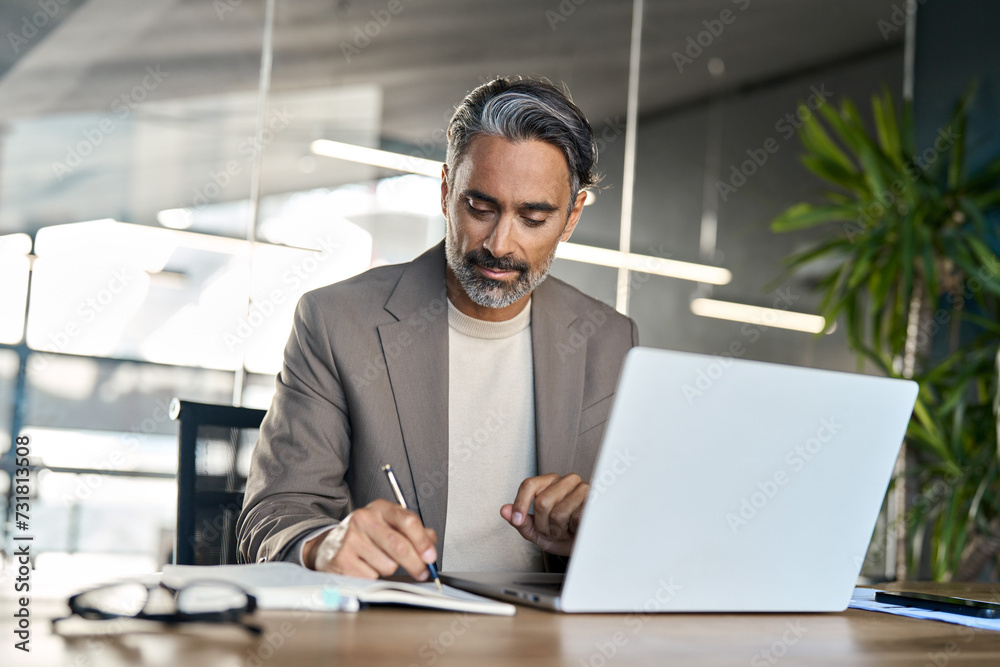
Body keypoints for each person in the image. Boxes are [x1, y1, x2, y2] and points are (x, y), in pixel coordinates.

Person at [236, 76, 638, 581]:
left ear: (572, 216)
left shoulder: (610, 342)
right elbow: (273, 514)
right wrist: (321, 545)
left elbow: (646, 532)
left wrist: (592, 533)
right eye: (480, 207)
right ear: (447, 190)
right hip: (393, 637)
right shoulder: (337, 322)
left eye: (533, 217)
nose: (499, 243)